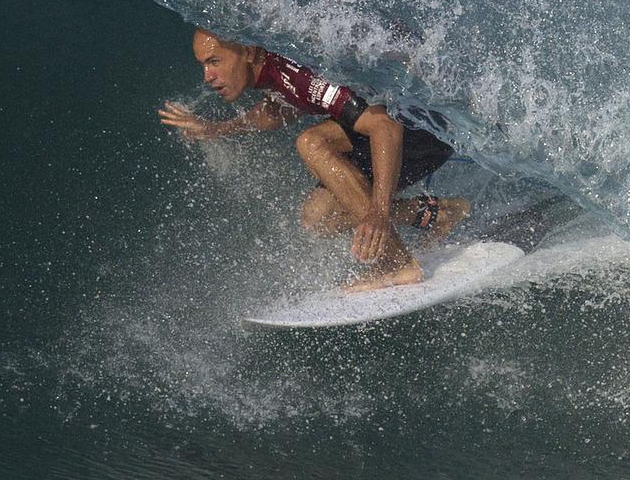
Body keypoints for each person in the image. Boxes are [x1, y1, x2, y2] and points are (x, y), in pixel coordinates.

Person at [158, 28, 470, 291]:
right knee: (319, 220)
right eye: (203, 65)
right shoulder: (273, 70)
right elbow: (279, 109)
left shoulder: (296, 73)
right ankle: (438, 214)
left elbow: (384, 126)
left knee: (312, 142)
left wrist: (379, 211)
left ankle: (397, 262)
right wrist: (216, 129)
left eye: (214, 61)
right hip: (402, 126)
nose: (208, 76)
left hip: (426, 129)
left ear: (249, 53)